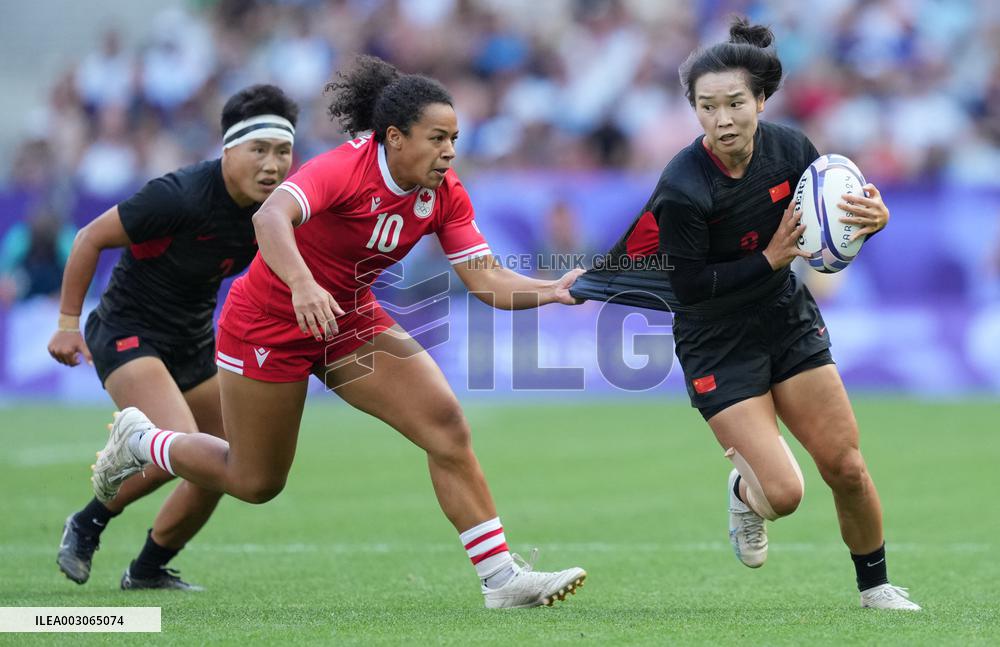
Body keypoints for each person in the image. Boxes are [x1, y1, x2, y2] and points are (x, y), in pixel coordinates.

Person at [88, 55, 587, 609]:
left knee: (445, 426)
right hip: (269, 323)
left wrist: (553, 290)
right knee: (256, 482)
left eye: (455, 138)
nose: (450, 150)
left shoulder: (444, 191)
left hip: (348, 318)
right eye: (438, 138)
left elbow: (486, 279)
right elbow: (268, 219)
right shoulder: (342, 169)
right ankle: (140, 441)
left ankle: (501, 580)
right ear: (395, 138)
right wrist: (302, 285)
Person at [574, 18, 920, 611]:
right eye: (707, 107)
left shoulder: (792, 150)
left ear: (760, 99)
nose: (722, 119)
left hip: (784, 316)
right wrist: (769, 258)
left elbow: (829, 232)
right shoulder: (683, 186)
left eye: (735, 102)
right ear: (695, 112)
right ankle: (744, 491)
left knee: (847, 466)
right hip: (715, 338)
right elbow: (687, 286)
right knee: (784, 494)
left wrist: (870, 221)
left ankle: (877, 588)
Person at [48, 84, 299, 590]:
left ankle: (147, 570)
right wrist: (68, 325)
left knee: (228, 459)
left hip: (193, 343)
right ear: (228, 150)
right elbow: (89, 238)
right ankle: (88, 521)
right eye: (259, 150)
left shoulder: (275, 210)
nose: (272, 165)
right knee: (176, 447)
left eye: (283, 151)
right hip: (127, 332)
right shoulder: (177, 195)